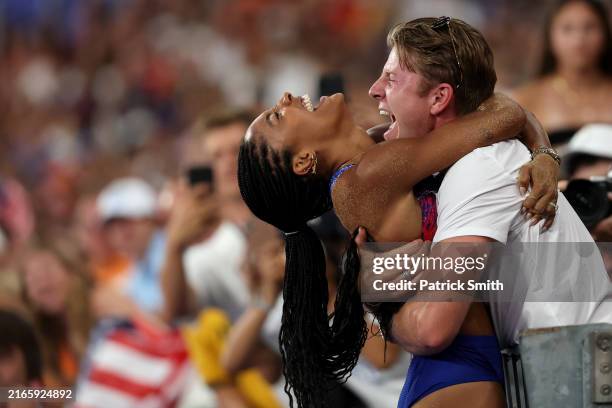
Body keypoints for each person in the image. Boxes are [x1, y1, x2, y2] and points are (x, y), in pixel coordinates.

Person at [237, 80, 557, 408]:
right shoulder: (373, 173)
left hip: (465, 357)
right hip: (457, 368)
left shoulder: (373, 160)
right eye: (277, 116)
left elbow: (504, 116)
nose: (286, 98)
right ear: (304, 160)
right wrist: (543, 151)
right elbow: (505, 117)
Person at [367, 17, 612, 408]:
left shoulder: (478, 168)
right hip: (573, 360)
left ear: (438, 98)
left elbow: (433, 329)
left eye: (391, 79)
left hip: (583, 365)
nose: (374, 90)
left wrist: (379, 304)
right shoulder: (472, 160)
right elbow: (505, 109)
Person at [513, 0, 612, 147]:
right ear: (549, 37)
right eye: (567, 29)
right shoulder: (526, 99)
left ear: (605, 34)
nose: (579, 41)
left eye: (589, 28)